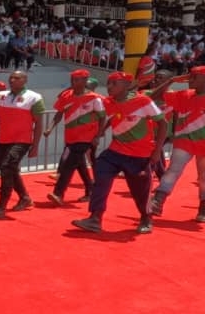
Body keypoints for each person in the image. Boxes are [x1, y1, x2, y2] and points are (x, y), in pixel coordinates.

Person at [71, 72, 167, 235]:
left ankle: (146, 217)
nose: (109, 87)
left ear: (127, 85)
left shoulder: (143, 101)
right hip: (115, 151)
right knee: (100, 175)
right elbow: (108, 117)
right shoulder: (109, 102)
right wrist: (100, 133)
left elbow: (163, 124)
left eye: (114, 84)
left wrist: (157, 151)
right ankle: (95, 217)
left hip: (139, 155)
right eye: (108, 83)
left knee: (140, 191)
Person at [146, 66, 205, 224]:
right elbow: (153, 97)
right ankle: (157, 201)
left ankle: (204, 209)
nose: (189, 80)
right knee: (173, 171)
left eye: (194, 77)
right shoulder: (184, 95)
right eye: (190, 76)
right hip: (184, 141)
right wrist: (171, 81)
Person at [0, 71, 44, 219]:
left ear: (25, 80)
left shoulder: (34, 97)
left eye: (16, 78)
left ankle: (1, 206)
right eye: (11, 77)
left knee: (6, 167)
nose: (12, 80)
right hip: (4, 140)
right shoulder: (3, 95)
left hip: (22, 140)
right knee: (10, 169)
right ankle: (24, 198)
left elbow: (39, 124)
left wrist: (35, 146)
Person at [44, 69, 104, 205]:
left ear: (85, 81)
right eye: (72, 80)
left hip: (86, 137)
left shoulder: (95, 98)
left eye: (77, 80)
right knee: (80, 164)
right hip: (71, 136)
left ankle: (58, 193)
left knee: (68, 165)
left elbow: (102, 117)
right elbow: (59, 114)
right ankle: (90, 190)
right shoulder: (66, 95)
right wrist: (50, 128)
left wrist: (98, 135)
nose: (74, 82)